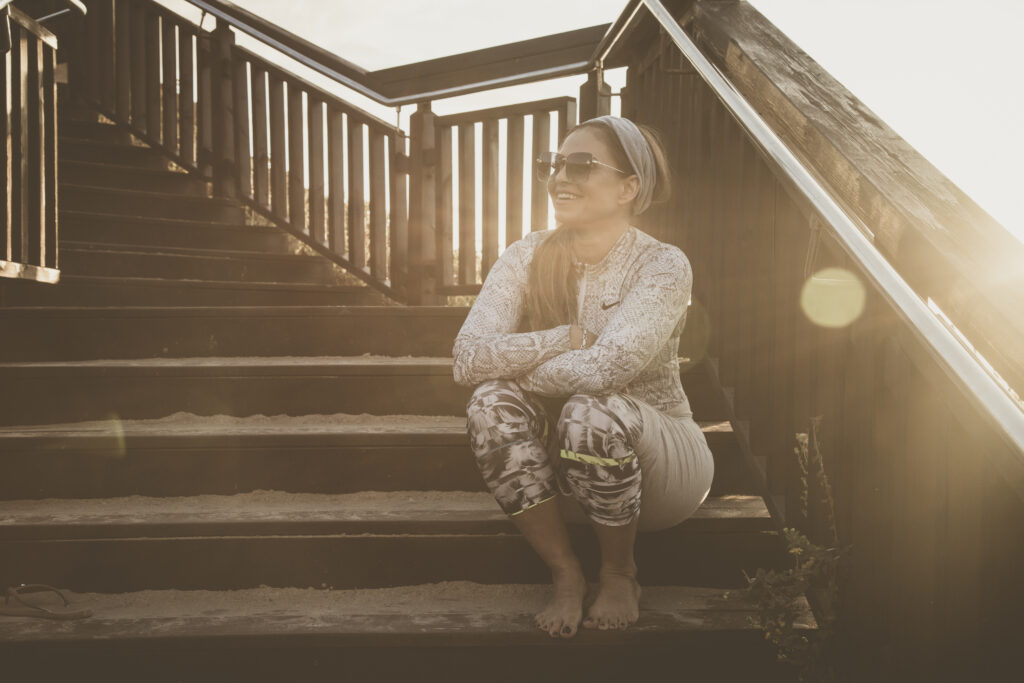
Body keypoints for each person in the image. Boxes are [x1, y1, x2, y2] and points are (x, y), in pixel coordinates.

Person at [452, 115, 714, 639]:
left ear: (628, 187)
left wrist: (523, 368)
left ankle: (619, 570)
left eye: (582, 165)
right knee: (489, 403)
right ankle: (565, 570)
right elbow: (467, 358)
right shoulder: (526, 254)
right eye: (554, 164)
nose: (560, 176)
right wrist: (564, 338)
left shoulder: (662, 264)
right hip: (559, 478)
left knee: (588, 409)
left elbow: (610, 367)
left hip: (661, 463)